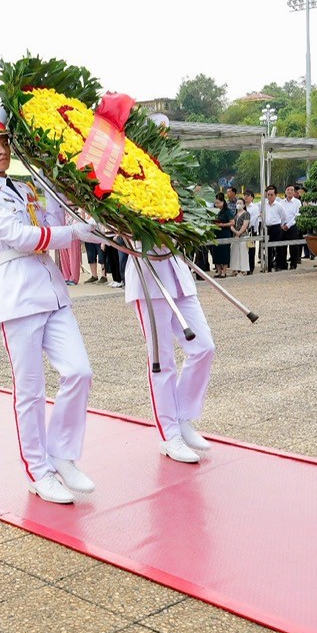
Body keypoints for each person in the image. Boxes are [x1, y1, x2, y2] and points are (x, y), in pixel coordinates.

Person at [0, 104, 106, 505]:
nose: (2, 151)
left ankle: (61, 454)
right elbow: (22, 236)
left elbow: (50, 216)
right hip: (18, 295)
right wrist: (71, 232)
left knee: (79, 371)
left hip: (51, 290)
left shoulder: (25, 188)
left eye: (5, 143)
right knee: (29, 390)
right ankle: (38, 471)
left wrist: (61, 185)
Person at [125, 248, 218, 463]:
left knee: (204, 347)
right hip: (147, 277)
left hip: (178, 272)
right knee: (162, 361)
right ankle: (169, 434)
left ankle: (182, 416)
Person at [261, 186, 288, 271]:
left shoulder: (279, 205)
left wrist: (281, 225)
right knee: (268, 248)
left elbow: (284, 217)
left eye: (271, 195)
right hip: (267, 228)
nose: (269, 196)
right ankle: (269, 265)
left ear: (275, 195)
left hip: (276, 227)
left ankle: (280, 265)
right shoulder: (264, 205)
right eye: (268, 195)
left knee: (278, 247)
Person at [211, 192, 233, 278]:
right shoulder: (214, 211)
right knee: (216, 252)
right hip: (215, 233)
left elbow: (232, 222)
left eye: (219, 203)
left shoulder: (227, 211)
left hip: (224, 233)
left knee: (224, 252)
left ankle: (224, 271)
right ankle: (219, 270)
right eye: (216, 203)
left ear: (223, 202)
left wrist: (222, 225)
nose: (217, 205)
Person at [229, 196, 250, 276]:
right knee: (234, 252)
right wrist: (235, 232)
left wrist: (239, 232)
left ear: (244, 205)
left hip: (243, 235)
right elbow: (232, 224)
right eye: (237, 203)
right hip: (235, 235)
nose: (238, 205)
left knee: (243, 252)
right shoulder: (235, 214)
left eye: (240, 203)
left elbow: (245, 225)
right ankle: (235, 269)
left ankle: (244, 270)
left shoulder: (246, 214)